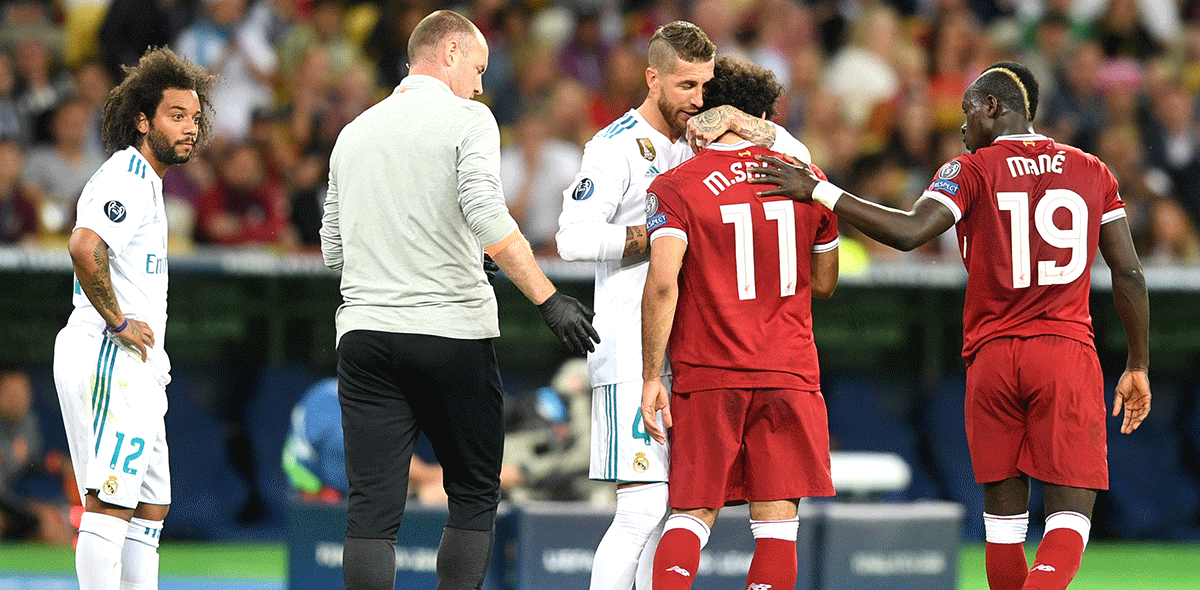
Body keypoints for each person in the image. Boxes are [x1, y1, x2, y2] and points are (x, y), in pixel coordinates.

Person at [748, 61, 1152, 590]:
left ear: (992, 107)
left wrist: (820, 191)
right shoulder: (1091, 169)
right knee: (1069, 519)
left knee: (1003, 530)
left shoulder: (970, 170)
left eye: (967, 112)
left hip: (992, 359)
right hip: (1064, 350)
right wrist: (1138, 363)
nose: (962, 127)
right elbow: (1129, 272)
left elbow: (909, 232)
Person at [319, 10, 599, 590]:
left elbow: (333, 252)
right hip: (451, 334)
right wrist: (548, 299)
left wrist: (427, 251)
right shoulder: (469, 118)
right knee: (473, 494)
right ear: (449, 53)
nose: (478, 84)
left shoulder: (353, 132)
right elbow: (486, 214)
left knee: (372, 510)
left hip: (366, 339)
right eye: (477, 68)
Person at [556, 20, 814, 590]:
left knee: (679, 510)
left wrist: (743, 120)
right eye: (686, 87)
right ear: (653, 79)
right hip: (632, 349)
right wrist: (656, 236)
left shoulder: (710, 138)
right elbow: (571, 238)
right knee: (642, 510)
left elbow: (799, 158)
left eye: (705, 86)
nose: (698, 100)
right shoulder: (615, 146)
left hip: (696, 355)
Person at [638, 55, 839, 590]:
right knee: (778, 526)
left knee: (691, 513)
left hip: (709, 372)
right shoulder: (807, 179)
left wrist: (651, 375)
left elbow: (662, 284)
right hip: (788, 370)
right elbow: (824, 282)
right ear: (764, 116)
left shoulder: (676, 186)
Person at [51, 47, 214, 590]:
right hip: (108, 355)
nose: (190, 128)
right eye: (176, 115)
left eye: (195, 118)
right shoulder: (127, 174)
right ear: (143, 121)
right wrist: (119, 323)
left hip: (137, 366)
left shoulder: (150, 182)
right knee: (110, 501)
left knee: (150, 505)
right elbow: (84, 245)